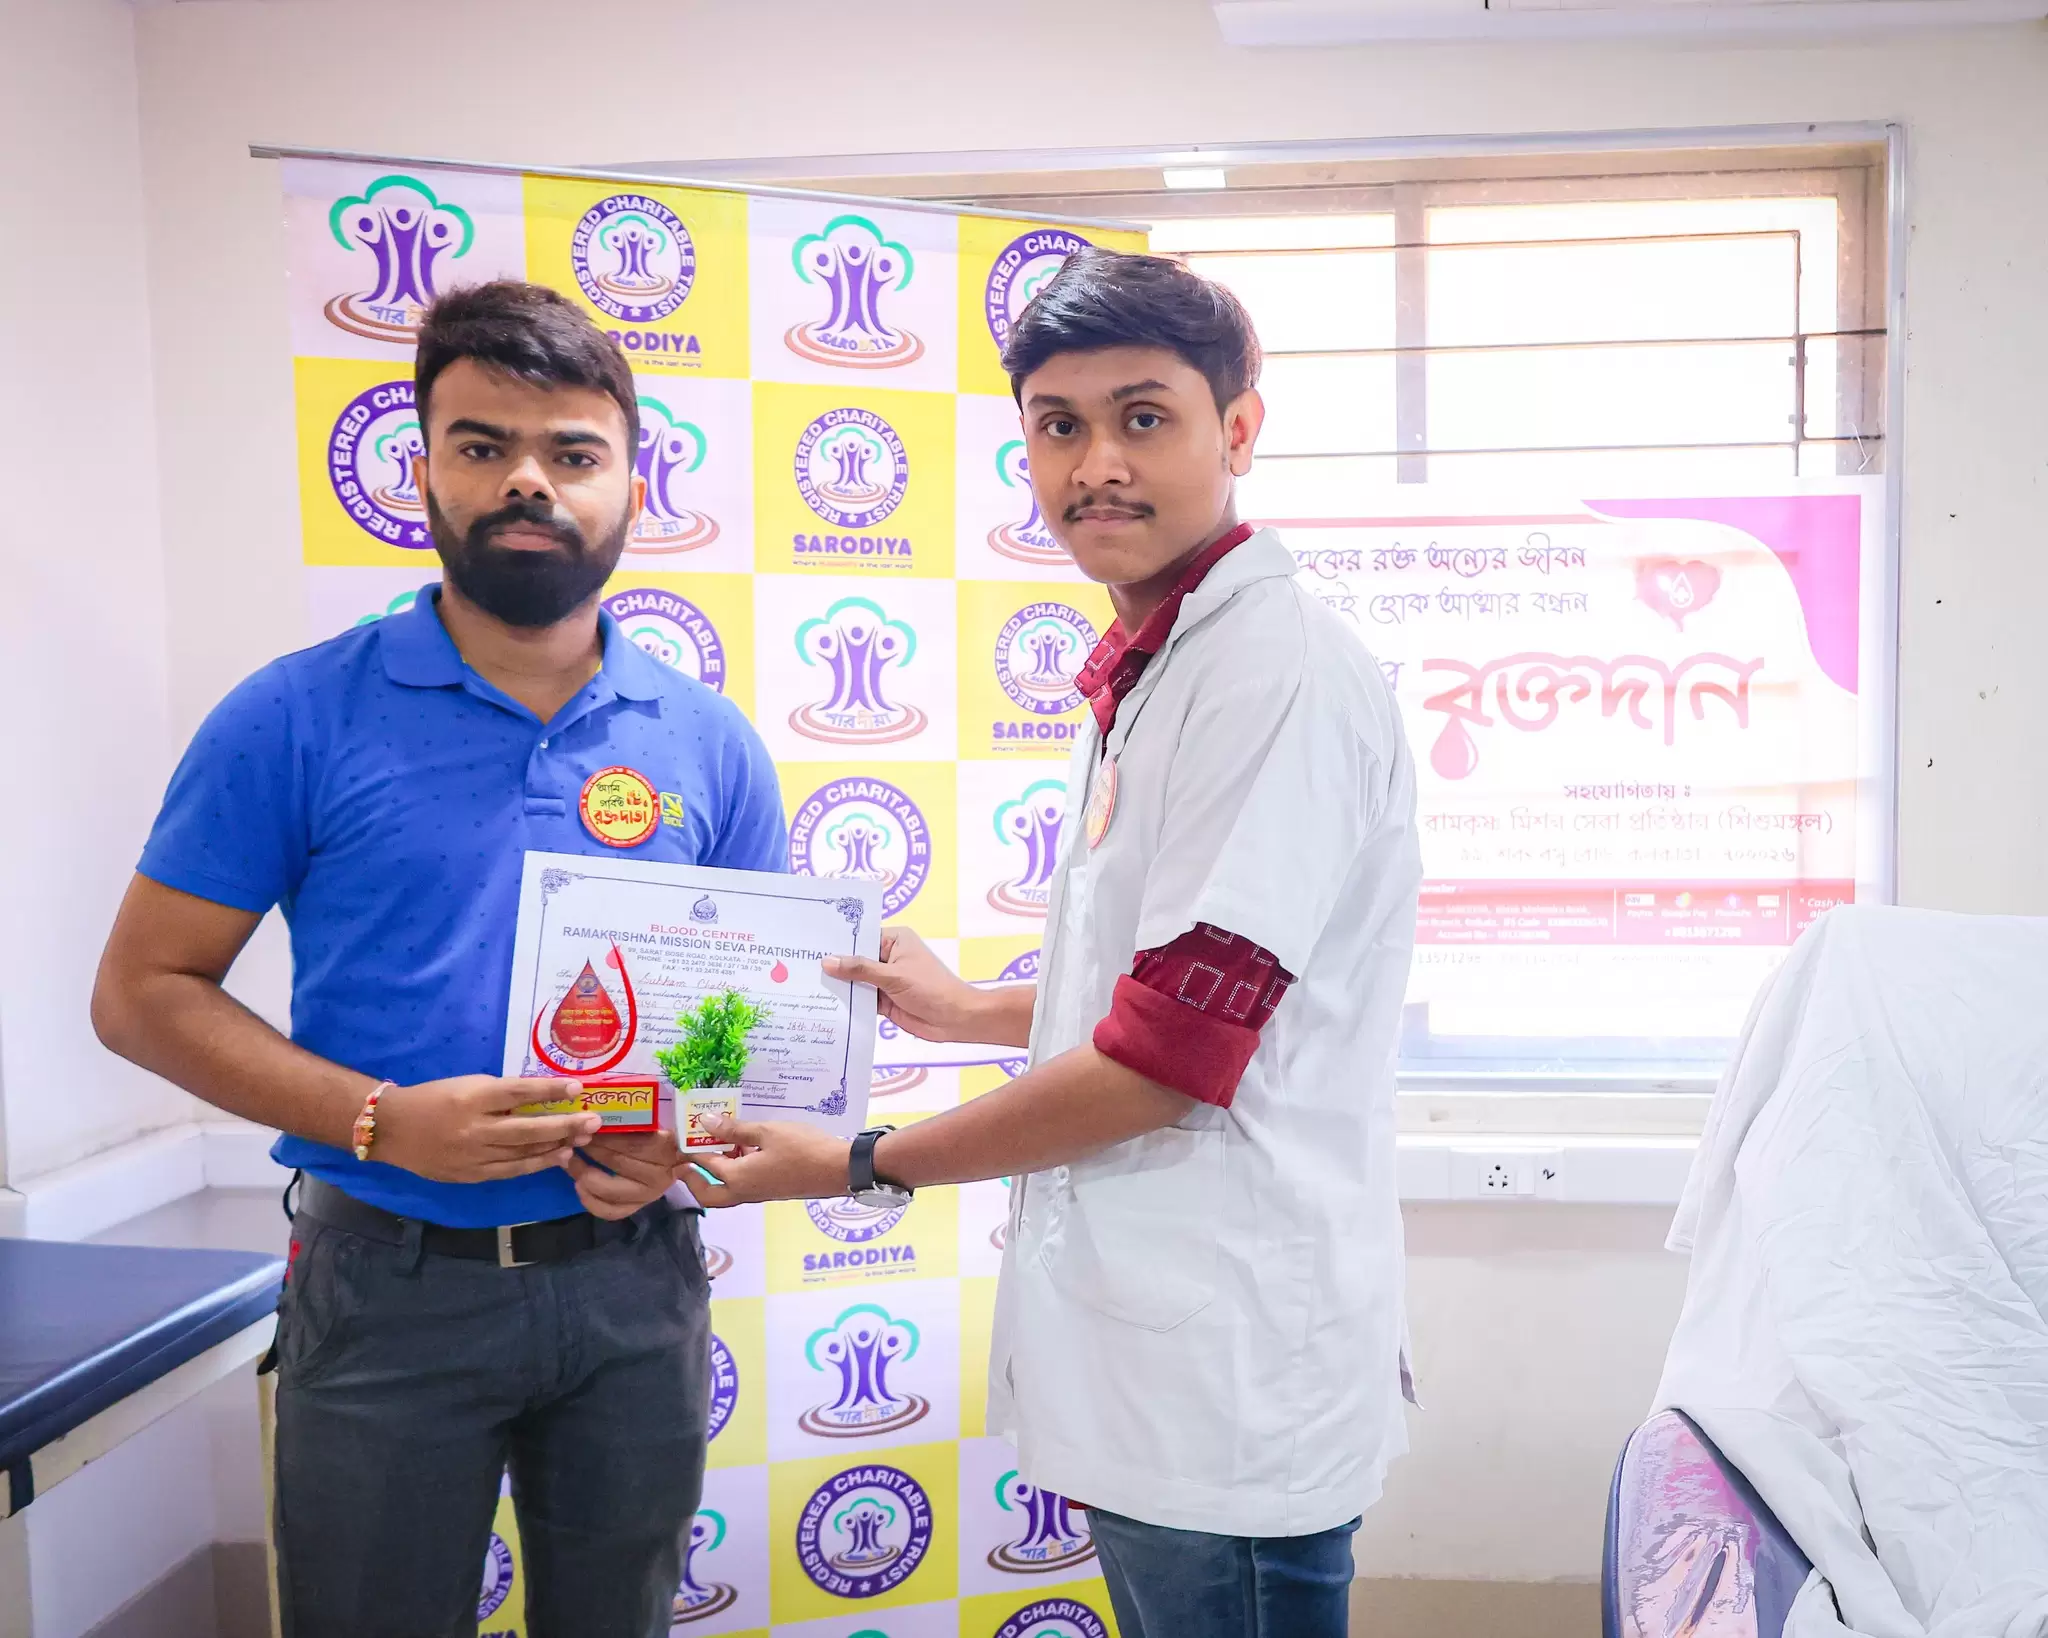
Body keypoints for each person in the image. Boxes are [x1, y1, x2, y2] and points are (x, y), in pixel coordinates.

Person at [679, 249, 1422, 1638]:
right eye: (1059, 426)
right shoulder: (1157, 665)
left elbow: (1170, 1054)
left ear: (1239, 429)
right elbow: (1179, 981)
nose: (1097, 465)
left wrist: (854, 1162)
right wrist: (969, 1009)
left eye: (1144, 417)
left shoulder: (1273, 677)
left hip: (1225, 1382)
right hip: (1162, 1361)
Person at [91, 281, 787, 1638]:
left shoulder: (708, 741)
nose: (529, 480)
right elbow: (141, 992)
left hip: (633, 1282)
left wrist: (686, 1137)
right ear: (422, 472)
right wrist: (379, 1118)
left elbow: (741, 1022)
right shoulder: (292, 715)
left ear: (634, 486)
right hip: (384, 1291)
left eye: (573, 452)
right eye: (483, 445)